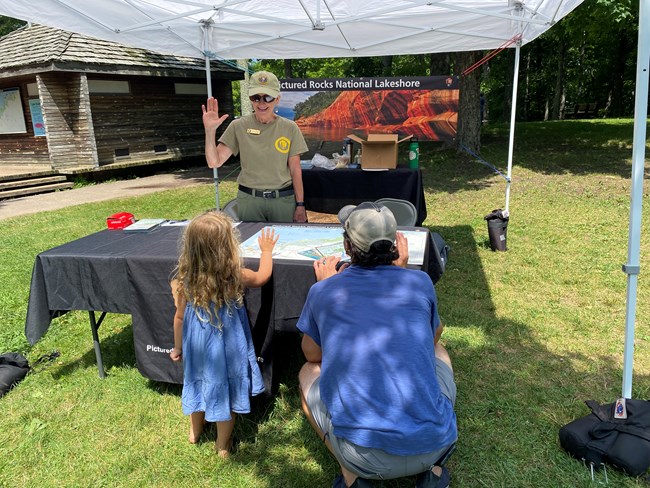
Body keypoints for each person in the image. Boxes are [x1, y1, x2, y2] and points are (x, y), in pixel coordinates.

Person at [297, 202, 458, 488]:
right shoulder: (420, 282)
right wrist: (404, 274)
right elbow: (431, 336)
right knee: (439, 350)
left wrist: (327, 290)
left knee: (306, 373)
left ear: (348, 246)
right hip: (434, 445)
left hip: (362, 456)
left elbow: (312, 354)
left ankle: (351, 474)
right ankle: (432, 473)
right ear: (396, 244)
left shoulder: (323, 290)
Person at [169, 211, 278, 457]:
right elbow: (262, 277)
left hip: (196, 348)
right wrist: (267, 251)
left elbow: (178, 317)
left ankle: (195, 432)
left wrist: (177, 347)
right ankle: (222, 445)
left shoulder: (184, 280)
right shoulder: (234, 276)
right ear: (227, 245)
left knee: (196, 385)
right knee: (225, 394)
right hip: (227, 347)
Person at [202, 70, 309, 223]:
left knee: (283, 245)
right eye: (256, 97)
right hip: (249, 200)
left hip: (282, 200)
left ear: (277, 99)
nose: (262, 103)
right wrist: (210, 131)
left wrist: (300, 205)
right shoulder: (238, 126)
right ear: (250, 99)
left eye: (268, 97)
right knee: (250, 246)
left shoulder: (290, 128)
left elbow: (295, 169)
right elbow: (214, 162)